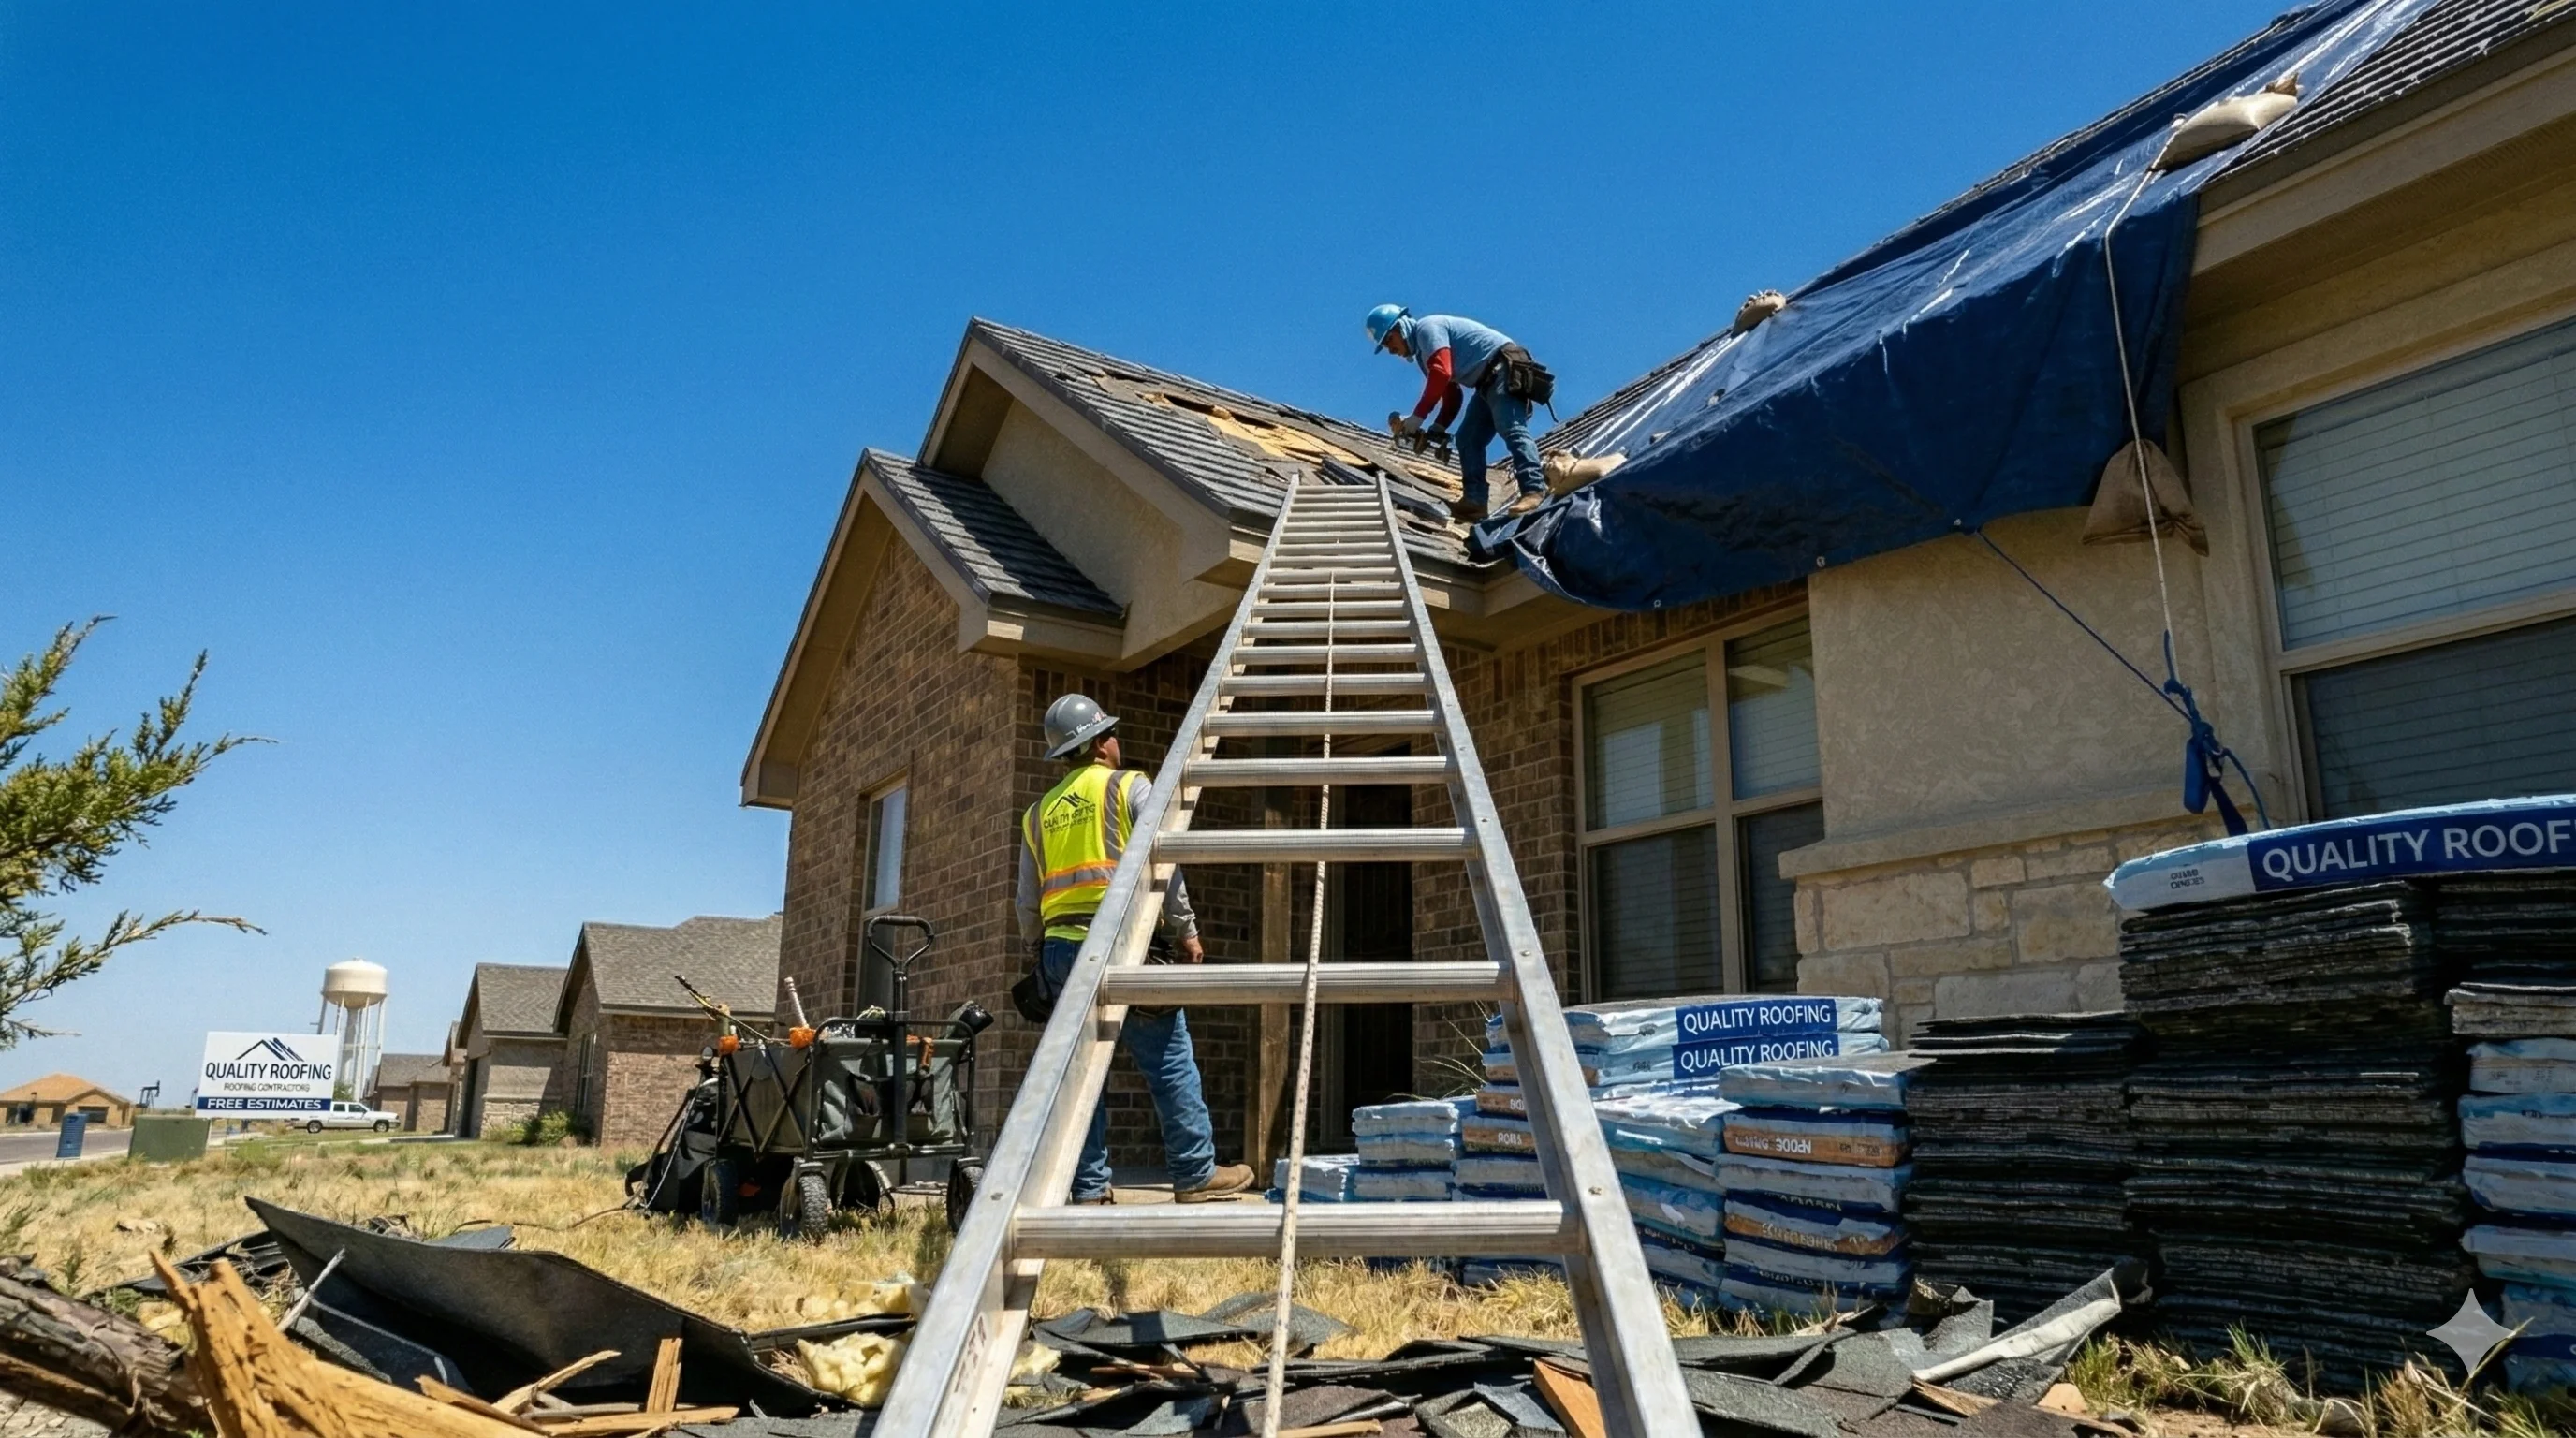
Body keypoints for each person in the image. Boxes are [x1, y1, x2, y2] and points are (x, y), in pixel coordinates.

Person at [1016, 693, 1256, 1205]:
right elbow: (1163, 860)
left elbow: (1025, 904)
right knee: (1169, 1060)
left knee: (1080, 1076)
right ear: (1100, 743)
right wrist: (1186, 930)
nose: (1117, 740)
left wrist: (1042, 952)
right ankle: (1193, 1174)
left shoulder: (1037, 814)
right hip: (1124, 945)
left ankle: (1088, 1188)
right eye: (1112, 732)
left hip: (1061, 951)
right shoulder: (1129, 786)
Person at [1366, 303, 1549, 524]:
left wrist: (1417, 417)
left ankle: (1534, 490)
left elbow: (1442, 373)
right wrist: (1438, 428)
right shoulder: (1425, 356)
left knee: (1510, 427)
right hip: (1486, 382)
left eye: (1389, 340)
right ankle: (1475, 503)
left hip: (1504, 368)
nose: (1390, 349)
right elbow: (1452, 396)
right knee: (1467, 439)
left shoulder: (1427, 328)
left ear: (1401, 328)